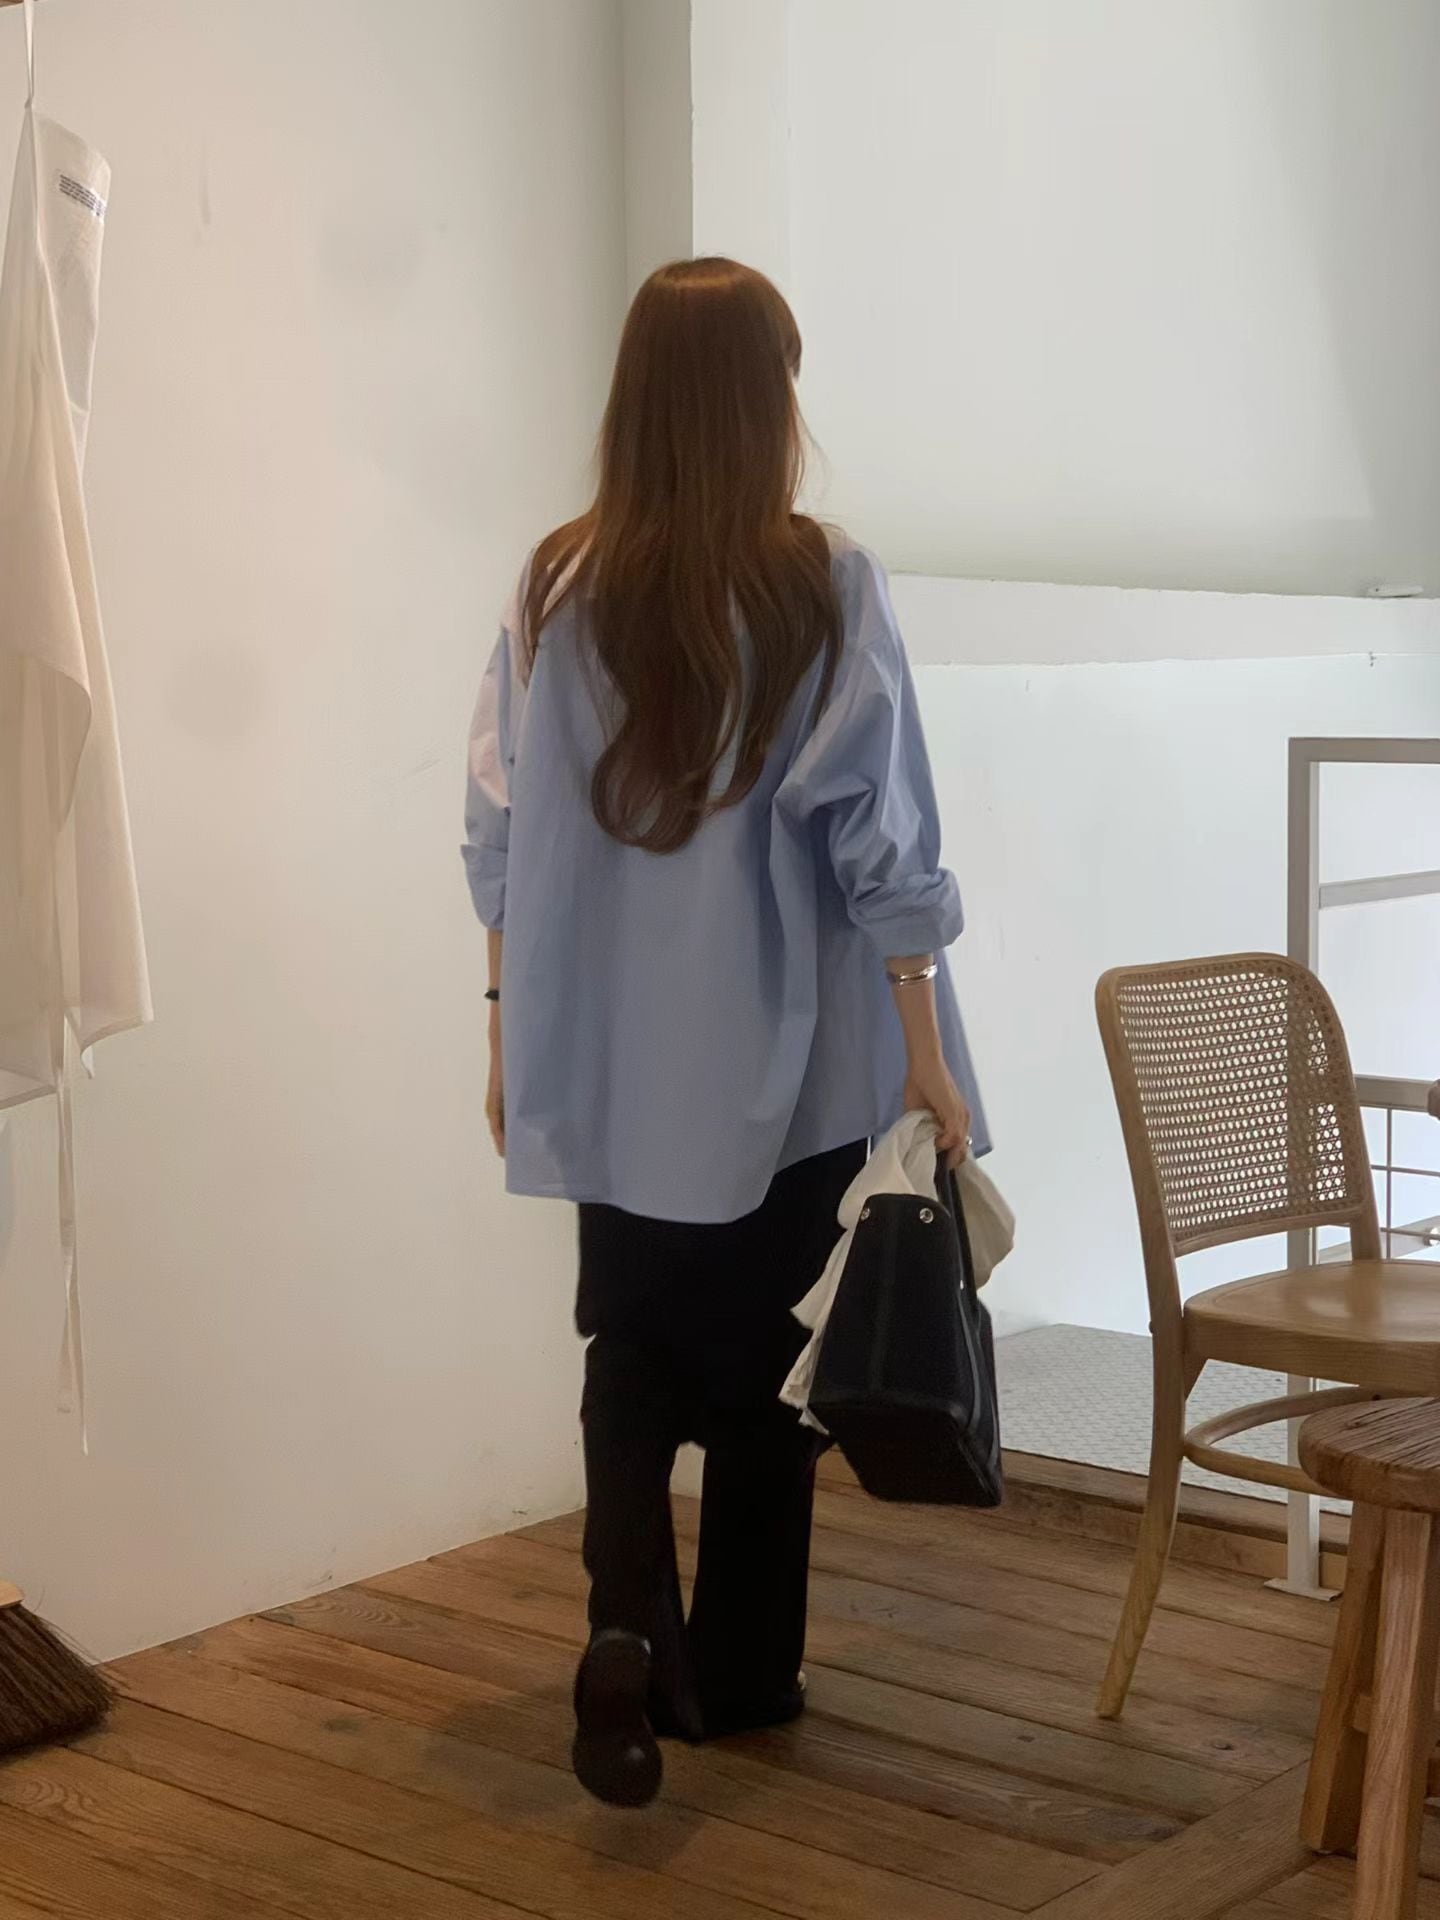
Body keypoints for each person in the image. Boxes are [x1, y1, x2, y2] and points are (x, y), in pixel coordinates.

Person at [463, 257, 987, 1808]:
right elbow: (879, 837)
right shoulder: (821, 582)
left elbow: (497, 831)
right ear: (767, 401)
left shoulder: (555, 585)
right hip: (791, 1065)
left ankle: (625, 1633)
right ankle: (746, 1675)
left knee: (627, 1353)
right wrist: (927, 1050)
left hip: (609, 1060)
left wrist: (505, 1034)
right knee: (774, 1378)